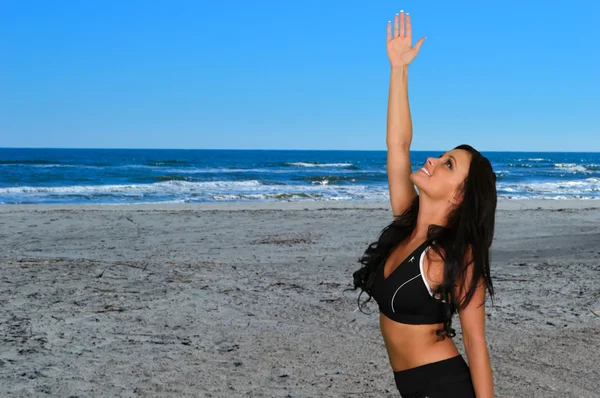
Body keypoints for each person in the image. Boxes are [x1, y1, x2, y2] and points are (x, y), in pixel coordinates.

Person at [351, 10, 497, 398]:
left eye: (448, 164)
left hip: (444, 388)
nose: (432, 160)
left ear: (460, 195)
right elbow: (398, 146)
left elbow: (476, 346)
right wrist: (398, 69)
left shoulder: (457, 257)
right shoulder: (406, 220)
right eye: (442, 155)